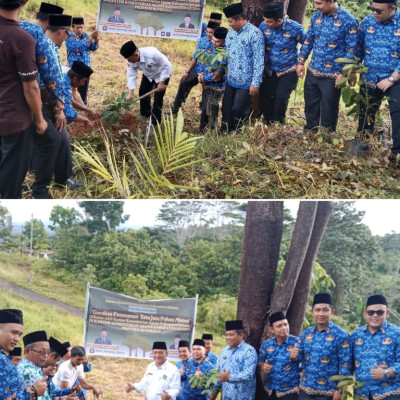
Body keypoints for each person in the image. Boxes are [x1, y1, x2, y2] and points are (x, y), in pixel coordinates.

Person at [30, 13, 84, 199]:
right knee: (50, 140)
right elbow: (44, 82)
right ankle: (40, 188)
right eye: (67, 33)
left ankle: (63, 178)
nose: (68, 37)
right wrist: (58, 108)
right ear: (62, 31)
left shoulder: (52, 46)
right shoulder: (43, 45)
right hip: (41, 102)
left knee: (62, 137)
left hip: (51, 101)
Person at [0, 0, 47, 199]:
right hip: (13, 120)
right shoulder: (22, 39)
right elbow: (31, 87)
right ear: (25, 1)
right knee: (10, 185)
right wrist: (40, 119)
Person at [296, 0, 358, 134]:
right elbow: (308, 40)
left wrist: (344, 73)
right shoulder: (316, 17)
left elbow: (351, 50)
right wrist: (301, 62)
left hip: (334, 74)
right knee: (311, 103)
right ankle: (310, 131)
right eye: (315, 3)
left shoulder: (349, 20)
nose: (316, 6)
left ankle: (328, 134)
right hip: (314, 69)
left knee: (329, 106)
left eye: (319, 3)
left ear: (331, 1)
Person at [353, 0, 400, 159]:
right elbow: (358, 48)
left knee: (397, 113)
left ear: (392, 8)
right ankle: (362, 146)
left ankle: (397, 154)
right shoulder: (366, 22)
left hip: (396, 77)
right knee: (366, 112)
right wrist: (352, 69)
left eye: (379, 11)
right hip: (370, 76)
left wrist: (392, 79)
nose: (375, 13)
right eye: (373, 9)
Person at [290, 293, 352, 400]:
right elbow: (300, 360)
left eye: (325, 310)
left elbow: (345, 365)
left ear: (332, 311)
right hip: (306, 390)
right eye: (317, 310)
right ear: (312, 312)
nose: (321, 314)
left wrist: (339, 390)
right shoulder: (306, 334)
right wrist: (293, 356)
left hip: (328, 392)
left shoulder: (341, 335)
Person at [221, 2, 264, 133]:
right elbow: (225, 53)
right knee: (226, 108)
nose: (229, 24)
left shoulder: (255, 34)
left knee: (239, 109)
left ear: (240, 19)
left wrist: (255, 83)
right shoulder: (230, 33)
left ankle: (237, 133)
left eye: (230, 21)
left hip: (246, 81)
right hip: (231, 78)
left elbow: (259, 60)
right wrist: (220, 70)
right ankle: (224, 132)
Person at [259, 2, 305, 124]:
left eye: (269, 22)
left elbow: (306, 44)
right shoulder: (263, 26)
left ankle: (278, 124)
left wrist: (301, 62)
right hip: (270, 69)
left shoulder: (296, 28)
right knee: (267, 96)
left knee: (281, 98)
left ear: (279, 20)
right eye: (265, 21)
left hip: (289, 70)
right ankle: (267, 122)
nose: (266, 24)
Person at [351, 294, 400, 400]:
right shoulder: (356, 335)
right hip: (362, 394)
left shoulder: (397, 334)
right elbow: (347, 362)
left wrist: (386, 372)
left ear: (387, 313)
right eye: (371, 312)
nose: (375, 315)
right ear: (365, 313)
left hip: (389, 393)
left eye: (380, 312)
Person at [169, 20, 219, 115]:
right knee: (184, 82)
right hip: (198, 69)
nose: (209, 34)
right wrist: (188, 71)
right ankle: (176, 108)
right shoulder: (202, 40)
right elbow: (195, 57)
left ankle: (204, 113)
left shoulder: (218, 44)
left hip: (209, 73)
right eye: (207, 32)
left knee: (207, 95)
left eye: (211, 33)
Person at [121, 40, 172, 127]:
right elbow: (131, 75)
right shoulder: (131, 60)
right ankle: (146, 114)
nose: (128, 61)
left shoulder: (152, 54)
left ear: (136, 55)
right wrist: (131, 93)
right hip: (148, 74)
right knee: (143, 92)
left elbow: (167, 66)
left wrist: (162, 82)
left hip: (161, 74)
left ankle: (155, 124)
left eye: (129, 59)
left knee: (157, 100)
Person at [0, 309, 47, 400]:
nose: (17, 339)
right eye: (14, 333)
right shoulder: (2, 361)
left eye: (19, 335)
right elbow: (12, 397)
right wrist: (33, 391)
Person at [210, 320, 258, 400]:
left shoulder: (249, 351)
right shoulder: (225, 351)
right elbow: (219, 374)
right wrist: (213, 394)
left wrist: (229, 378)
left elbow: (248, 374)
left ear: (241, 335)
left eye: (231, 335)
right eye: (226, 335)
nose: (228, 338)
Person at [258, 312, 301, 400]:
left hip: (290, 392)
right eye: (279, 326)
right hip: (270, 391)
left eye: (285, 324)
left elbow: (307, 365)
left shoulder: (298, 343)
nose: (284, 328)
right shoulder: (267, 345)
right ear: (271, 329)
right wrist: (263, 367)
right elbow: (260, 362)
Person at [198, 26, 228, 134]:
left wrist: (203, 78)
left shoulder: (225, 53)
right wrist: (200, 73)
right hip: (205, 83)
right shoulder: (210, 45)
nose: (215, 43)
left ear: (225, 41)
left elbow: (218, 74)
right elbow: (202, 60)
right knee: (205, 109)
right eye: (213, 40)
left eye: (218, 42)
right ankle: (203, 131)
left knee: (211, 108)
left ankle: (211, 131)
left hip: (217, 86)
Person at [66, 17, 99, 104]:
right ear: (73, 27)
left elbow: (93, 48)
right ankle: (72, 104)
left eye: (81, 27)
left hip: (86, 66)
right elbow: (78, 47)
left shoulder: (85, 36)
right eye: (78, 27)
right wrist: (91, 39)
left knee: (84, 87)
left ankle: (83, 104)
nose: (80, 30)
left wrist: (96, 40)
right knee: (73, 88)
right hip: (75, 68)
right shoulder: (69, 37)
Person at [17, 330, 52, 400]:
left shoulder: (34, 367)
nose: (46, 356)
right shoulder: (28, 371)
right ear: (27, 351)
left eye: (48, 352)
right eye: (42, 352)